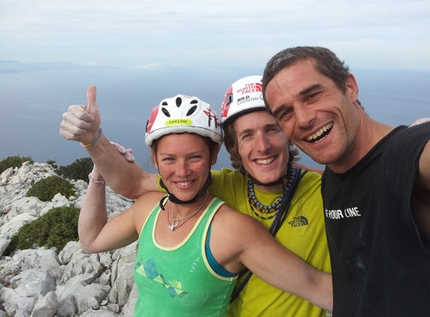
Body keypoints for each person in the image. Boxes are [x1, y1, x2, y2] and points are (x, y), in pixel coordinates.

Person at [60, 77, 332, 316]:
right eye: (247, 135)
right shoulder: (217, 185)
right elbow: (133, 184)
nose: (262, 146)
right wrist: (93, 139)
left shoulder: (327, 191)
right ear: (232, 145)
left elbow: (315, 284)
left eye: (272, 130)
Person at [261, 46, 430, 316]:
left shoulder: (400, 156)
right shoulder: (333, 175)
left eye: (312, 95)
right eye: (285, 113)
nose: (303, 119)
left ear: (349, 87)